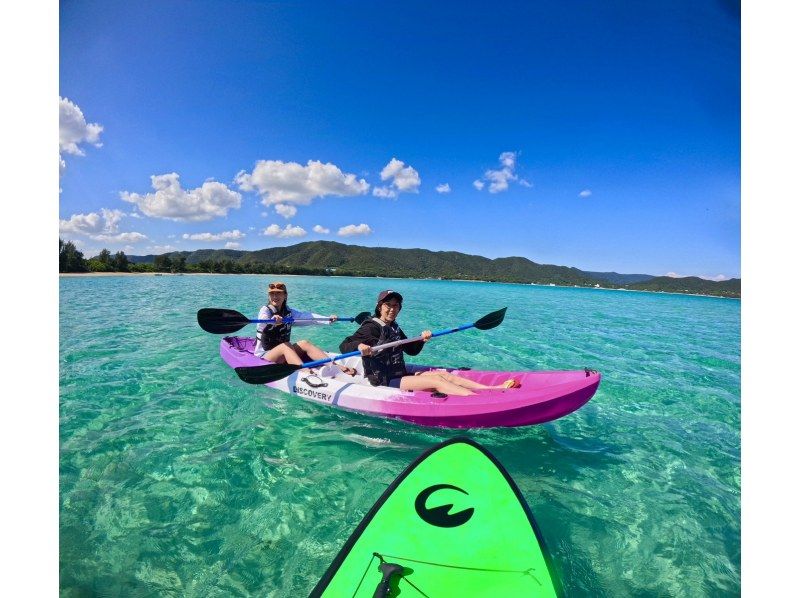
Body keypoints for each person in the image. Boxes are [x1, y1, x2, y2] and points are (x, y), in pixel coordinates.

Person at [339, 290, 520, 396]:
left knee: (443, 376)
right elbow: (345, 345)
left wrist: (422, 339)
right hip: (384, 381)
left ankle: (491, 389)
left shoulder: (393, 327)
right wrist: (359, 347)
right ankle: (479, 400)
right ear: (380, 307)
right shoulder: (371, 327)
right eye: (388, 305)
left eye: (396, 306)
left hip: (398, 374)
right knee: (438, 382)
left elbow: (411, 351)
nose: (392, 309)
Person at [255, 281, 356, 375]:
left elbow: (309, 318)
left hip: (282, 355)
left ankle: (335, 366)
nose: (275, 296)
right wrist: (272, 321)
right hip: (265, 357)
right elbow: (262, 322)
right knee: (285, 345)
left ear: (285, 295)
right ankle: (307, 372)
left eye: (278, 293)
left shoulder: (289, 312)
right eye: (272, 294)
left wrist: (328, 319)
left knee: (304, 343)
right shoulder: (265, 311)